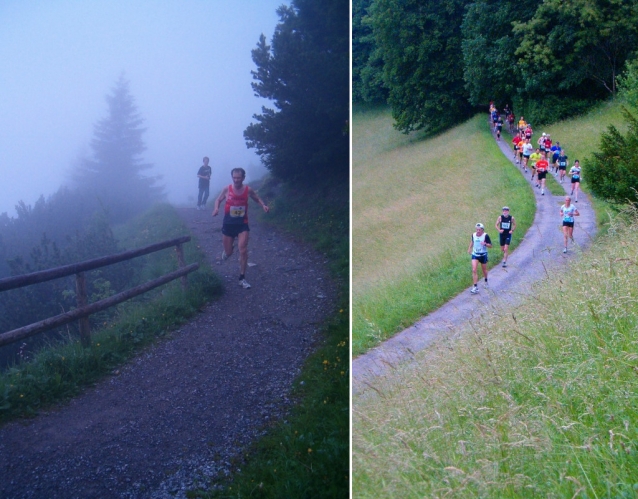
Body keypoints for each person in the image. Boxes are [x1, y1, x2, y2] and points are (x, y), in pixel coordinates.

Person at [212, 168, 270, 289]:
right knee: (229, 252)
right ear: (232, 177)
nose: (236, 180)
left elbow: (256, 198)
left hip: (242, 224)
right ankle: (227, 252)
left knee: (243, 250)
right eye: (234, 177)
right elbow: (218, 199)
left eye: (239, 177)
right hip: (228, 224)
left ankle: (242, 278)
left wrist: (263, 205)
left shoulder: (248, 190)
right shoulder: (227, 189)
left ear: (243, 178)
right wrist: (216, 208)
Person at [468, 223, 492, 294]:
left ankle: (486, 280)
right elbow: (472, 241)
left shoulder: (485, 236)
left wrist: (485, 244)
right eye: (477, 229)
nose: (478, 231)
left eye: (479, 230)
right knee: (474, 269)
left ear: (482, 230)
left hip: (483, 255)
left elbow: (490, 245)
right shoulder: (473, 235)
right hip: (475, 254)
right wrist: (469, 248)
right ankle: (475, 287)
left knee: (484, 270)